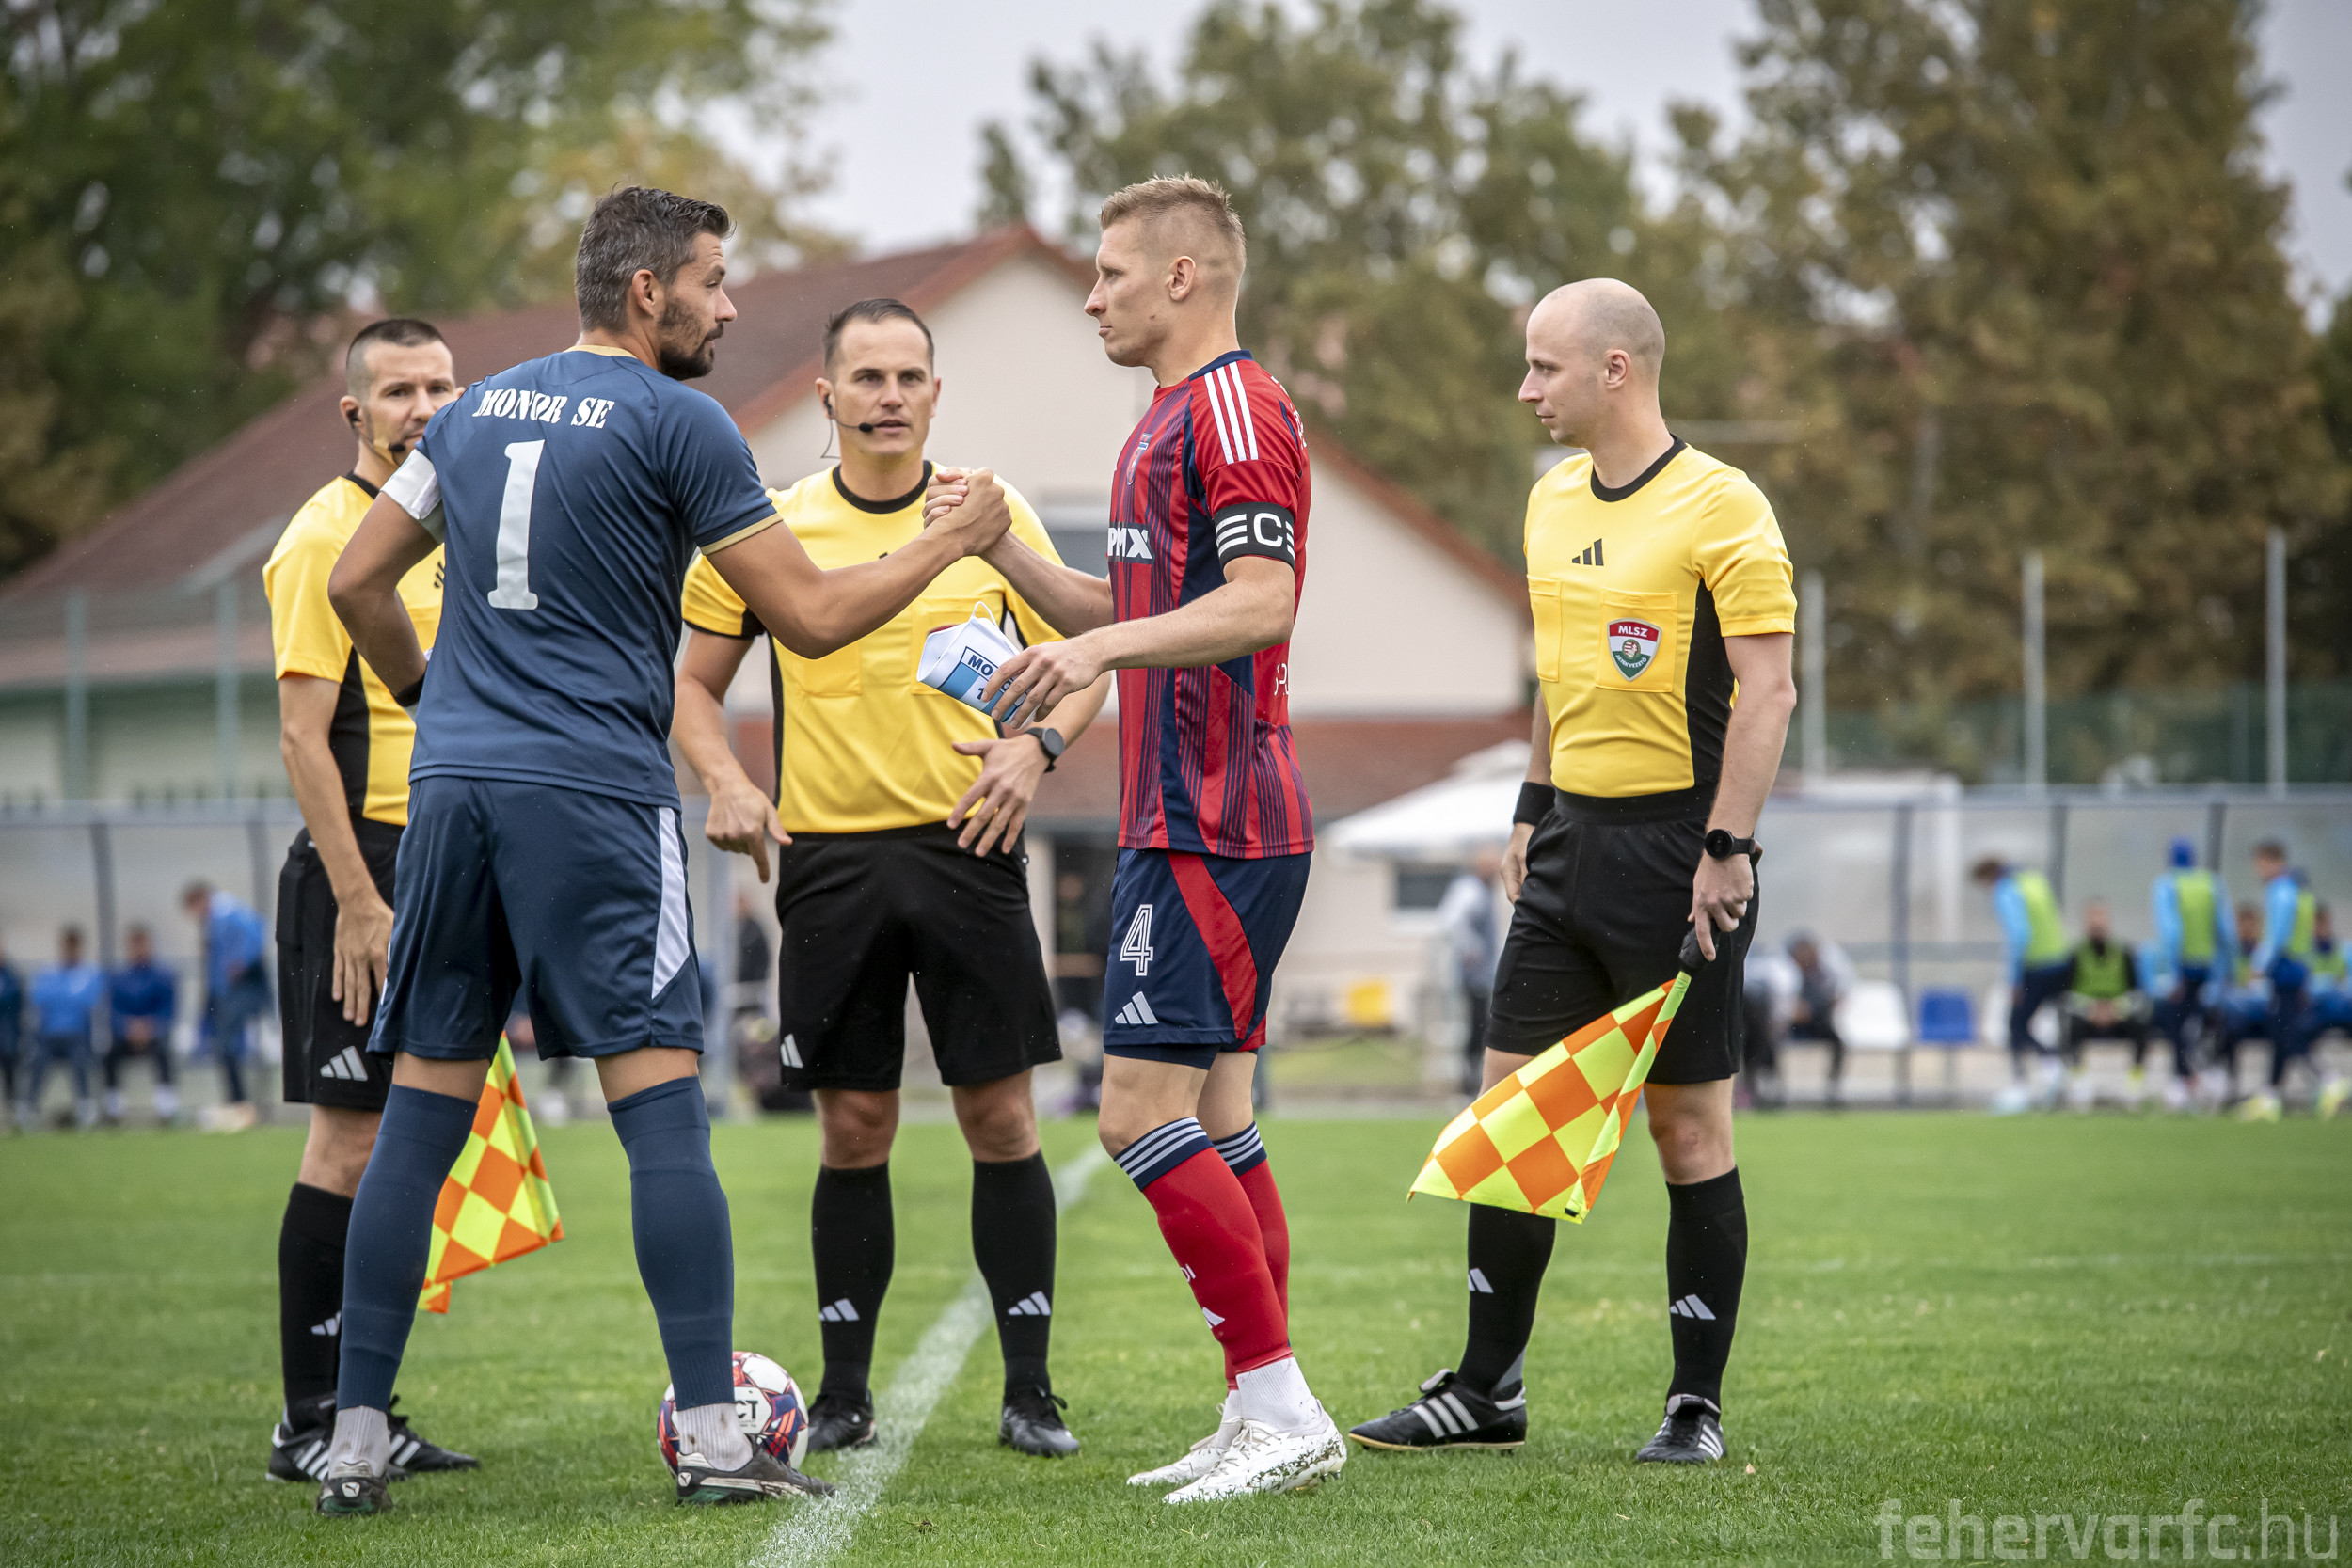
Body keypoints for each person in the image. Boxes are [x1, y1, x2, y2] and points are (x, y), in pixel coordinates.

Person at [316, 185, 1014, 1516]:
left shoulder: (470, 411)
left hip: (454, 793)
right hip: (594, 796)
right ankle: (711, 1435)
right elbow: (809, 618)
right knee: (660, 1111)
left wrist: (434, 702)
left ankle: (353, 1440)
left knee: (418, 1117)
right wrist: (946, 542)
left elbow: (357, 581)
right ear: (649, 291)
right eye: (713, 278)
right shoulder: (679, 420)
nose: (730, 304)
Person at [928, 176, 1341, 1501]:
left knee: (1132, 1113)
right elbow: (1128, 607)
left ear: (1182, 276)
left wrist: (1100, 647)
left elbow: (1263, 602)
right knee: (1216, 1115)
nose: (1091, 297)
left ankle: (1280, 1401)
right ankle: (1260, 1403)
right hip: (1185, 814)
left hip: (1219, 816)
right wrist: (1006, 553)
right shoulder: (1161, 418)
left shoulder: (1235, 406)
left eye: (1109, 273)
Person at [1344, 277, 1797, 1467]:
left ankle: (1693, 1405)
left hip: (1679, 854)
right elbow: (1561, 672)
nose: (1525, 388)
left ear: (1615, 369)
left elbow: (1770, 690)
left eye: (1544, 366)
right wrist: (1530, 806)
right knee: (1513, 1113)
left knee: (1686, 1130)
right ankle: (1485, 1388)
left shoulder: (1723, 504)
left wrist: (1727, 848)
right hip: (1566, 847)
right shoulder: (1549, 502)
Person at [672, 296, 1109, 1459]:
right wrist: (726, 779)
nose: (889, 396)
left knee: (1000, 1117)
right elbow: (692, 687)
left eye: (909, 375)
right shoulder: (772, 525)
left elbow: (1087, 662)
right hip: (828, 861)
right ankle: (844, 1392)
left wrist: (1036, 745)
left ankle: (1030, 1391)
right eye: (866, 377)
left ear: (935, 392)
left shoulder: (988, 514)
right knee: (854, 1125)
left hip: (969, 845)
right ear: (828, 394)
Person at [258, 316, 475, 1485]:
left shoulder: (456, 523)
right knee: (346, 1140)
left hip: (446, 858)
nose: (424, 408)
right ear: (355, 411)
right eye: (399, 391)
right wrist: (355, 897)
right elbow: (304, 736)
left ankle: (369, 1407)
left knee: (406, 1142)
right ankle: (308, 1418)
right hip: (365, 871)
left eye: (440, 386)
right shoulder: (321, 538)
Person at [1972, 856, 2072, 1101]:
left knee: (2015, 1026)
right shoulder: (2035, 880)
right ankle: (2056, 1068)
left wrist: (2014, 979)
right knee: (2057, 1020)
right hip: (2061, 964)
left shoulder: (2006, 890)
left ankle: (2024, 1082)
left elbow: (2019, 935)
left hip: (2035, 966)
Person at [2150, 839, 2233, 1108]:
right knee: (2210, 1024)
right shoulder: (2212, 883)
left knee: (2175, 1024)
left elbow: (2171, 932)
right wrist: (2225, 972)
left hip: (2183, 969)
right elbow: (2226, 932)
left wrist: (2172, 974)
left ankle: (2183, 1081)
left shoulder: (2167, 885)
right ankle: (2214, 1078)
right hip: (2210, 968)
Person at [2238, 840, 2317, 1121]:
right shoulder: (2297, 890)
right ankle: (2271, 1093)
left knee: (2285, 1030)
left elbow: (2278, 934)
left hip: (2285, 968)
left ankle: (2325, 1079)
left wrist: (2259, 964)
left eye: (2259, 864)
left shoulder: (2280, 890)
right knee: (2283, 1030)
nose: (2257, 870)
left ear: (2271, 861)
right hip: (2297, 967)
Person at [181, 880, 270, 1116]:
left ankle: (239, 1102)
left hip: (238, 991)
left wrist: (241, 961)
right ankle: (236, 1101)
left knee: (228, 1045)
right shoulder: (215, 919)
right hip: (224, 994)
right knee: (223, 1046)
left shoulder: (228, 912)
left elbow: (257, 932)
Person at [2060, 899, 2148, 1107]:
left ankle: (2134, 1083)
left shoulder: (2124, 952)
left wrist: (2116, 1008)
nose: (2097, 923)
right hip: (2087, 1016)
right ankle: (2079, 1082)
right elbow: (2066, 995)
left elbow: (2138, 994)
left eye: (2101, 917)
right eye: (2093, 918)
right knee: (2068, 1026)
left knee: (2142, 1025)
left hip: (2118, 1015)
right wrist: (2090, 1008)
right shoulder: (2076, 954)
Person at [23, 927, 106, 1130]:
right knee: (38, 1061)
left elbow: (89, 1001)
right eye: (67, 946)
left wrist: (63, 997)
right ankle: (29, 1109)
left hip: (77, 1036)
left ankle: (85, 1108)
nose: (70, 951)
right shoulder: (48, 974)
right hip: (49, 1036)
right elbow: (38, 999)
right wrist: (69, 998)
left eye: (74, 946)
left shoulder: (89, 974)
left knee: (79, 1061)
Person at [1435, 852, 1503, 1095]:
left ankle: (1472, 1079)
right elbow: (1452, 922)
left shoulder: (1479, 891)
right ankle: (1468, 1082)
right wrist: (1473, 951)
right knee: (1476, 1027)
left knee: (1480, 1026)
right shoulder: (1471, 891)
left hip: (1481, 974)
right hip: (1473, 975)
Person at [103, 925, 180, 1126]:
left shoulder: (163, 976)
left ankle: (166, 1109)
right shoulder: (118, 977)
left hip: (154, 1035)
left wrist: (150, 1027)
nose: (139, 950)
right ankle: (113, 1110)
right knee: (110, 1055)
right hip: (126, 1037)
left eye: (142, 944)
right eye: (134, 945)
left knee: (164, 1053)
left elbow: (169, 1010)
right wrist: (128, 1028)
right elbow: (113, 1011)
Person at [1784, 933, 1851, 1105]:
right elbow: (1780, 1001)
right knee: (1770, 1039)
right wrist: (1793, 1010)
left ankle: (1832, 1088)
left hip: (1817, 1021)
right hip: (1792, 1023)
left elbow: (1836, 996)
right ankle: (1770, 1085)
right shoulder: (1788, 972)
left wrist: (1812, 1009)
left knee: (1837, 1042)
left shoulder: (1825, 973)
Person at [0, 941, 24, 1116]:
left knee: (9, 1053)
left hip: (6, 1031)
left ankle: (11, 1106)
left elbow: (13, 1001)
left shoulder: (10, 977)